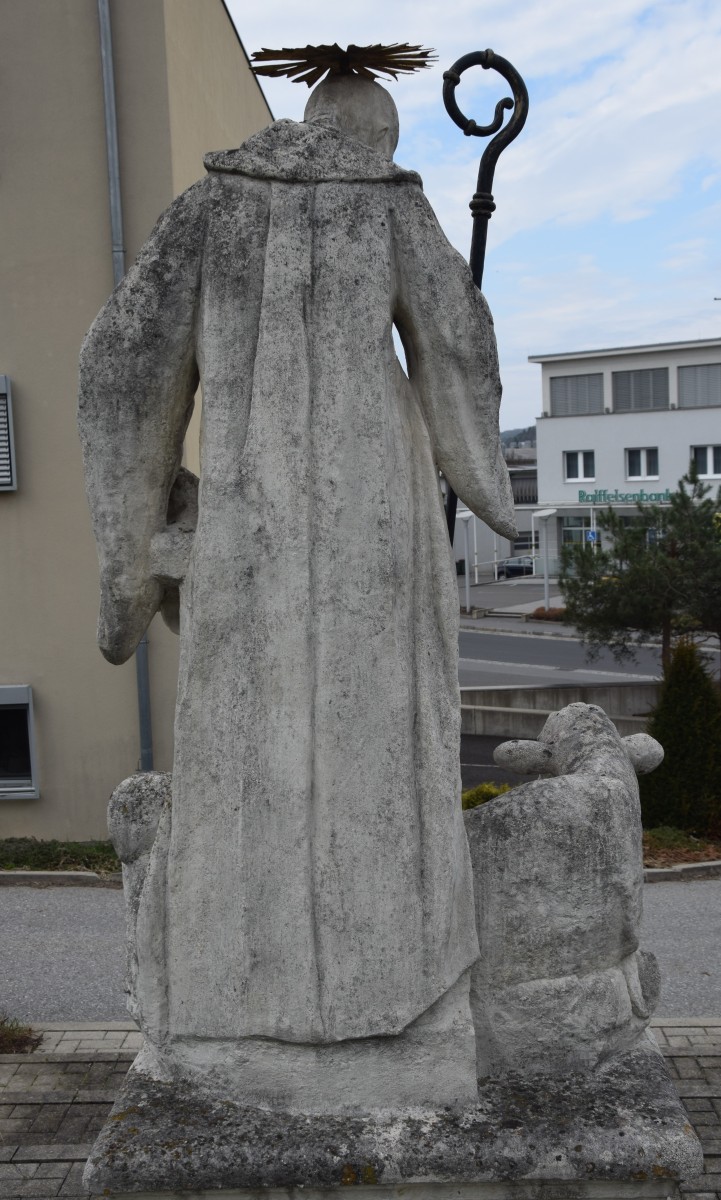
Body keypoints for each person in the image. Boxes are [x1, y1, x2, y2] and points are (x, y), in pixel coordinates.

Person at [78, 58, 515, 1103]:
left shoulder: (206, 211)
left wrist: (128, 548)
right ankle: (394, 1001)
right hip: (373, 527)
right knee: (382, 746)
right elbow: (460, 347)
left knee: (245, 751)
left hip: (247, 530)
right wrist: (484, 479)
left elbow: (122, 367)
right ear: (380, 140)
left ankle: (233, 1014)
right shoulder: (395, 213)